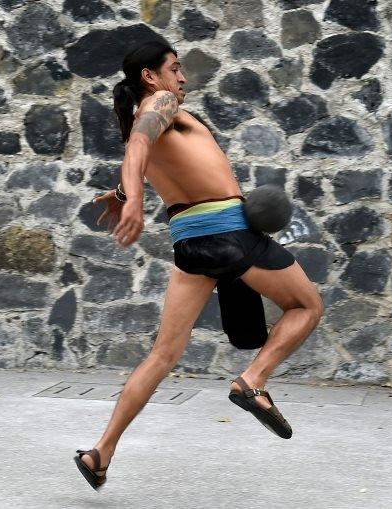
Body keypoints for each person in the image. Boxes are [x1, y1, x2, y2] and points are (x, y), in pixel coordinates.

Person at [73, 38, 324, 490]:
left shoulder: (149, 114)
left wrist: (124, 194)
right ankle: (253, 381)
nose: (182, 77)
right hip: (228, 233)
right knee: (307, 307)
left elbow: (143, 152)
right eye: (174, 68)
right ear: (151, 76)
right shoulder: (161, 102)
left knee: (163, 355)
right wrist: (132, 205)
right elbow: (138, 145)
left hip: (191, 245)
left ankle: (100, 453)